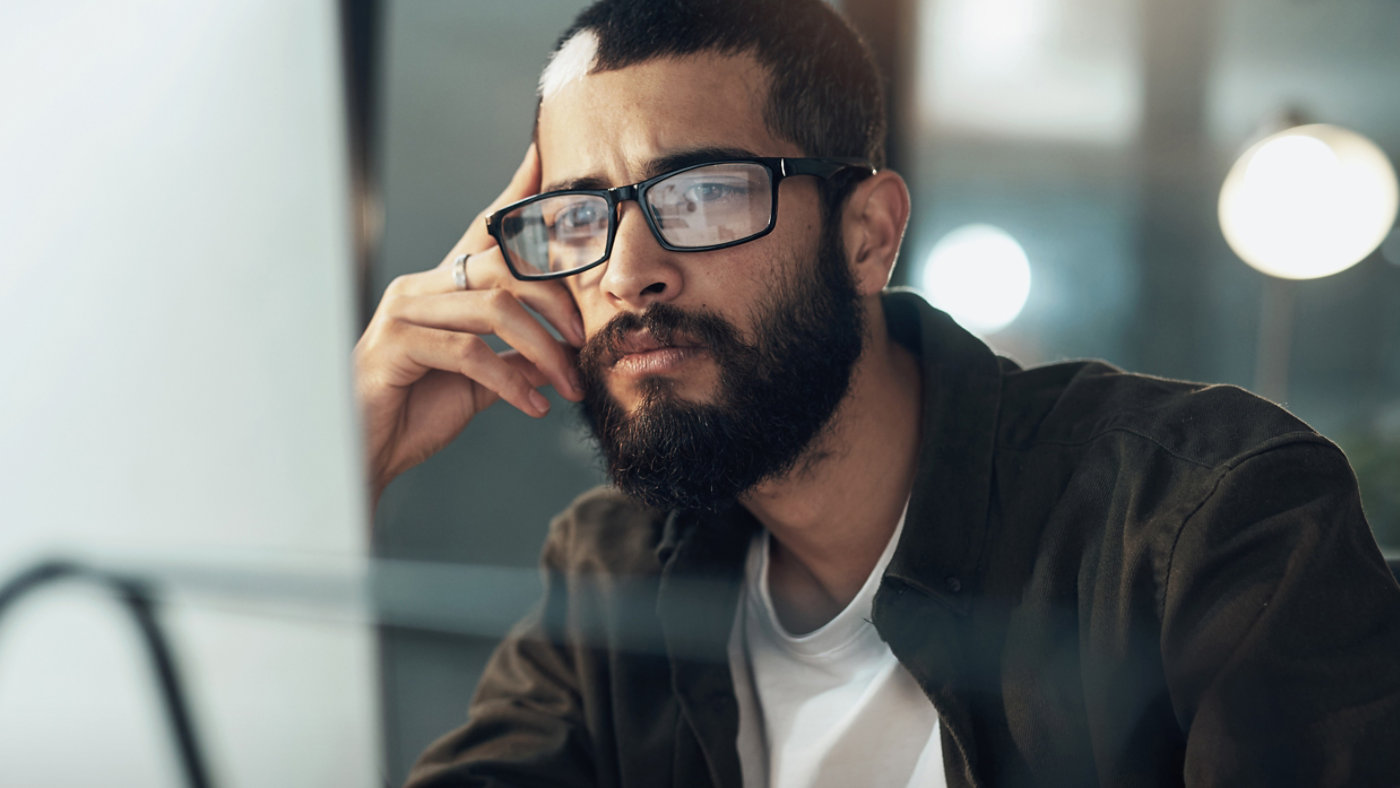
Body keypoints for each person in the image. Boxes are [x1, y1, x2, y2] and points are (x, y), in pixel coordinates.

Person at [354, 0, 1400, 785]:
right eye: (579, 215)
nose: (628, 270)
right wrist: (351, 453)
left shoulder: (1207, 521)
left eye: (704, 194)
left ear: (867, 234)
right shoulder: (612, 570)